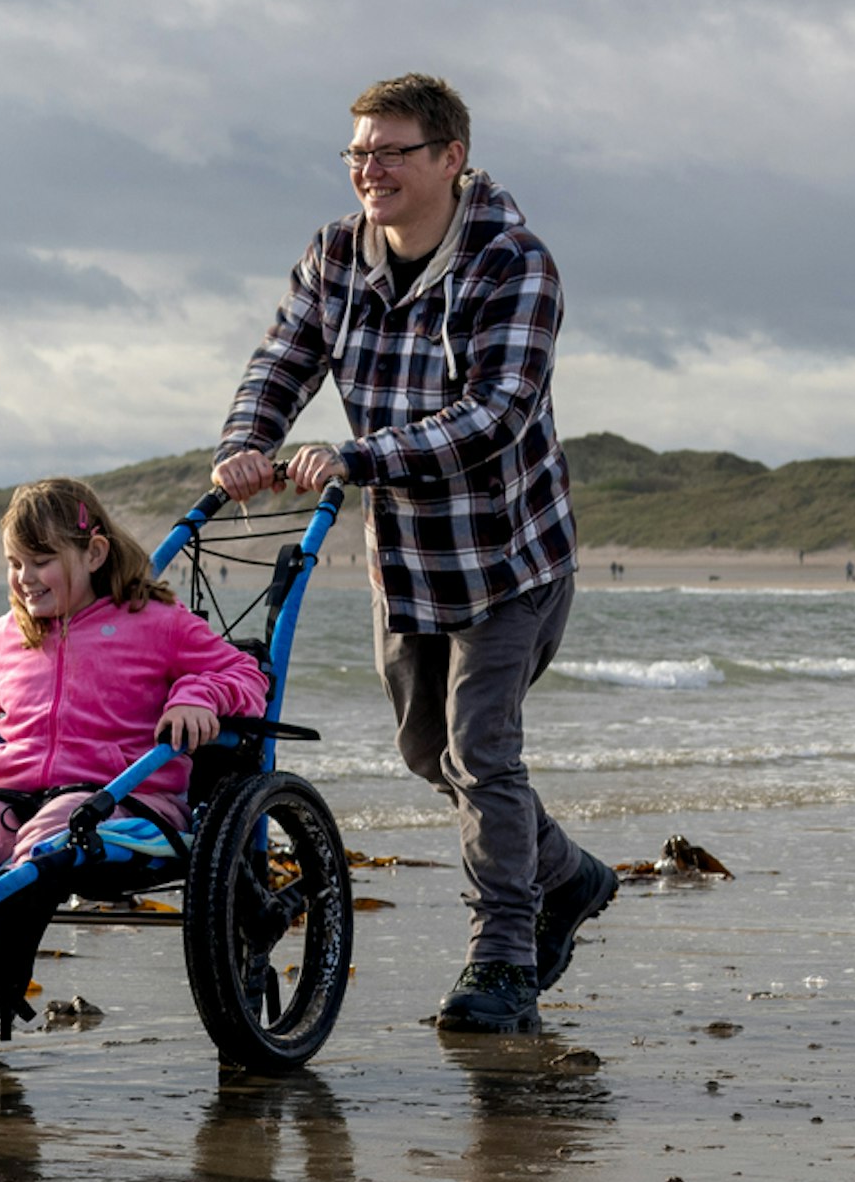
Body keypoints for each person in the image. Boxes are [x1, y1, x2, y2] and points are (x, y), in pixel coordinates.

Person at [212, 74, 613, 1035]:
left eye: (391, 150)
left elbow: (495, 413)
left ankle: (503, 958)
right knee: (424, 749)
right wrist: (245, 440)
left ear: (449, 158)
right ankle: (570, 876)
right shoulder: (333, 256)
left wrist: (353, 456)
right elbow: (284, 357)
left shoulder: (513, 262)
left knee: (481, 749)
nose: (370, 169)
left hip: (509, 557)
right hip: (409, 561)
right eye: (358, 152)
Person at [0, 477, 273, 929]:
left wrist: (197, 697)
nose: (25, 578)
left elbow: (245, 674)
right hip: (20, 795)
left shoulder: (154, 622)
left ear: (94, 554)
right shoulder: (12, 634)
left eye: (41, 561)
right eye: (15, 563)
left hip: (123, 798)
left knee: (52, 832)